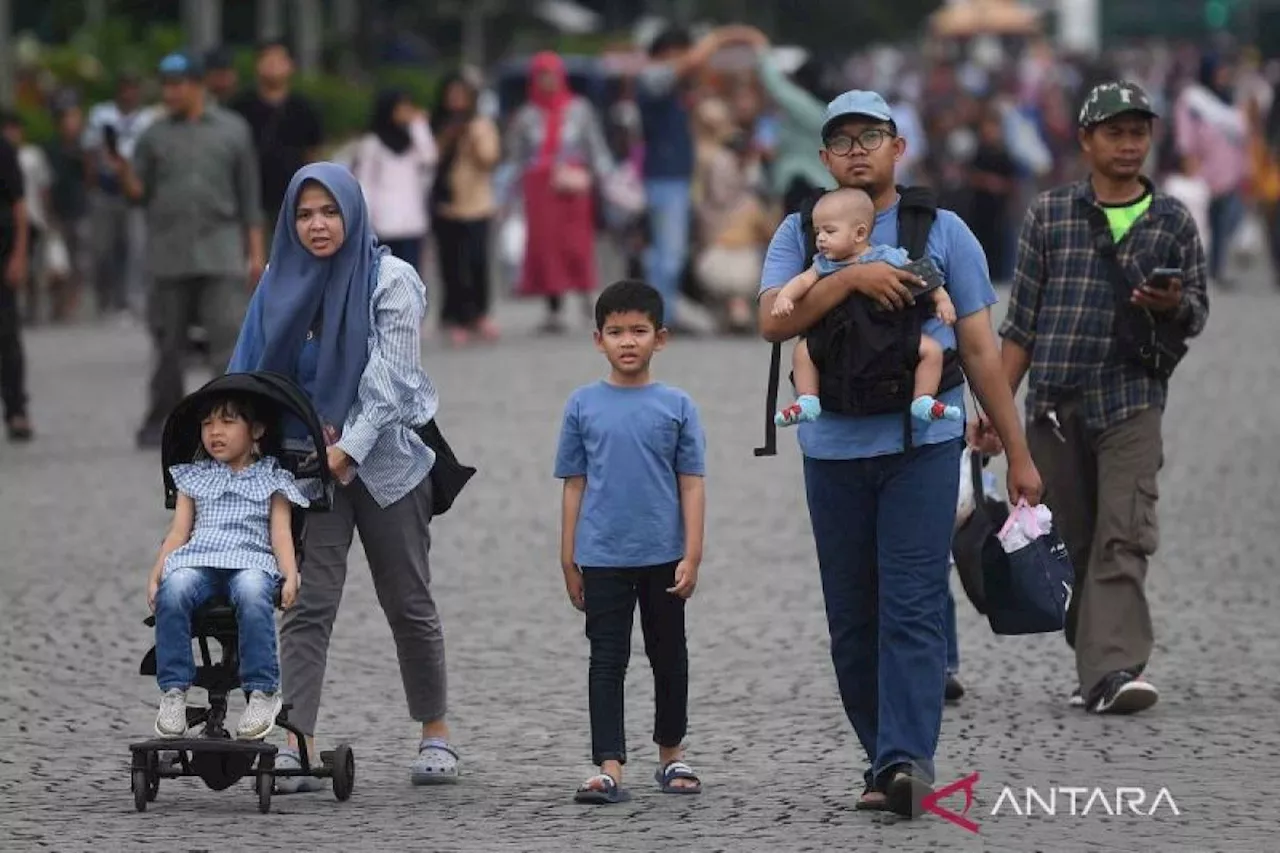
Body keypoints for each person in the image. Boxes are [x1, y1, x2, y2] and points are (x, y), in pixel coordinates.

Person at [756, 90, 1042, 817]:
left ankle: (906, 758)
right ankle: (883, 754)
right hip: (832, 448)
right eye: (841, 139)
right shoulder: (802, 230)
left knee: (912, 605)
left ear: (897, 147)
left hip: (924, 443)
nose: (857, 148)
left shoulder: (943, 232)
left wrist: (1018, 451)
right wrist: (850, 276)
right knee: (853, 616)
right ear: (823, 157)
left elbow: (979, 348)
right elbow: (769, 322)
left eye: (872, 135)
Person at [227, 162, 458, 790]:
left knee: (408, 601)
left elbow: (392, 381)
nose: (318, 225)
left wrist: (346, 449)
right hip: (307, 471)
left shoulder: (393, 279)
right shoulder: (278, 280)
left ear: (353, 213)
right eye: (304, 214)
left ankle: (434, 732)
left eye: (330, 211)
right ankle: (299, 741)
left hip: (386, 468)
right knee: (307, 603)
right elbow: (247, 371)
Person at [993, 82, 1209, 714]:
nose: (1129, 144)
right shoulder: (1050, 214)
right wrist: (995, 416)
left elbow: (1197, 310)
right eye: (1114, 133)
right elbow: (1020, 325)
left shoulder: (1172, 220)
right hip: (1055, 408)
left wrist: (1173, 305)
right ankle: (1094, 649)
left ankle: (1113, 668)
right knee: (1079, 544)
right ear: (1086, 140)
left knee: (1124, 533)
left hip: (1133, 401)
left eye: (1139, 132)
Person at [554, 280, 706, 805]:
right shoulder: (582, 405)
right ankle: (608, 764)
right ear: (598, 339)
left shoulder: (678, 405)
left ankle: (672, 753)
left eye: (638, 331)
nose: (627, 341)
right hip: (601, 555)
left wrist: (693, 551)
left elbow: (691, 481)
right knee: (606, 659)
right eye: (615, 332)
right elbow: (574, 483)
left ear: (659, 339)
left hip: (664, 554)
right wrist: (567, 555)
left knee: (669, 655)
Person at [114, 51, 265, 449]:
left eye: (178, 84)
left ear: (198, 86)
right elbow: (138, 194)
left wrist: (255, 254)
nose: (170, 92)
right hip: (169, 254)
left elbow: (249, 195)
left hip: (221, 250)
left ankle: (231, 418)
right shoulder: (153, 136)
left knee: (226, 341)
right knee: (168, 345)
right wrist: (120, 166)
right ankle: (163, 417)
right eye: (165, 85)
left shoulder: (233, 130)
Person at [147, 392, 307, 740]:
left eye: (227, 422)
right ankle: (174, 690)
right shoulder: (195, 477)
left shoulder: (272, 478)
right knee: (173, 591)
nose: (214, 431)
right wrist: (158, 571)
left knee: (252, 593)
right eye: (207, 424)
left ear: (257, 431)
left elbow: (281, 533)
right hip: (200, 560)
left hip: (250, 561)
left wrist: (290, 573)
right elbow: (178, 532)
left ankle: (263, 692)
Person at [769, 187, 961, 428]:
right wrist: (785, 297)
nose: (820, 239)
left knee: (932, 351)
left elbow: (923, 275)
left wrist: (942, 299)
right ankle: (808, 399)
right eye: (818, 232)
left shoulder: (887, 257)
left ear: (859, 234)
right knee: (802, 351)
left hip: (891, 335)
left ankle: (923, 398)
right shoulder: (823, 264)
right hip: (838, 341)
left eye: (829, 231)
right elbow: (802, 281)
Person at [503, 51, 614, 333]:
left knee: (576, 244)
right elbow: (516, 158)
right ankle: (554, 309)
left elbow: (595, 147)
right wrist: (507, 195)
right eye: (541, 76)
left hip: (573, 188)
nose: (547, 81)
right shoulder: (526, 115)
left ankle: (587, 300)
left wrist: (608, 180)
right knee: (546, 248)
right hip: (540, 191)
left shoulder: (580, 108)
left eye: (551, 75)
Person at [430, 70, 501, 346]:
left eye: (462, 95)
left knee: (477, 261)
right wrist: (446, 139)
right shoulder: (436, 126)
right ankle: (455, 316)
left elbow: (489, 160)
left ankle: (479, 314)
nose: (457, 101)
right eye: (452, 95)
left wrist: (470, 140)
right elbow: (427, 160)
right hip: (446, 206)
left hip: (477, 204)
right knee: (451, 265)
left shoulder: (481, 125)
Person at [229, 41, 323, 233]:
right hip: (248, 198)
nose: (273, 64)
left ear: (291, 65)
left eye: (279, 59)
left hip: (293, 197)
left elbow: (313, 153)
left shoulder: (303, 108)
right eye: (267, 59)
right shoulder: (240, 106)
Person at [352, 89, 438, 267]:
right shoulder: (373, 143)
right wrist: (366, 220)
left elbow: (430, 157)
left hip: (412, 222)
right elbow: (365, 183)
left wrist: (419, 125)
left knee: (412, 275)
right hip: (384, 223)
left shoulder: (412, 140)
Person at [0, 122, 32, 441]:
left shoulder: (3, 149)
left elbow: (20, 205)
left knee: (7, 336)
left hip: (3, 256)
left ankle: (16, 410)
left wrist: (19, 255)